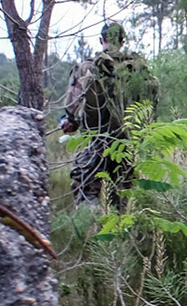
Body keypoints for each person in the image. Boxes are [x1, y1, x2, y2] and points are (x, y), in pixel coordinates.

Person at [59, 21, 159, 205]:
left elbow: (71, 113)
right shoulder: (137, 69)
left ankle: (92, 230)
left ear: (101, 40)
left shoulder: (86, 68)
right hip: (127, 146)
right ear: (122, 41)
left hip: (94, 143)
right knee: (122, 202)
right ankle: (121, 232)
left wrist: (69, 121)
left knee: (86, 193)